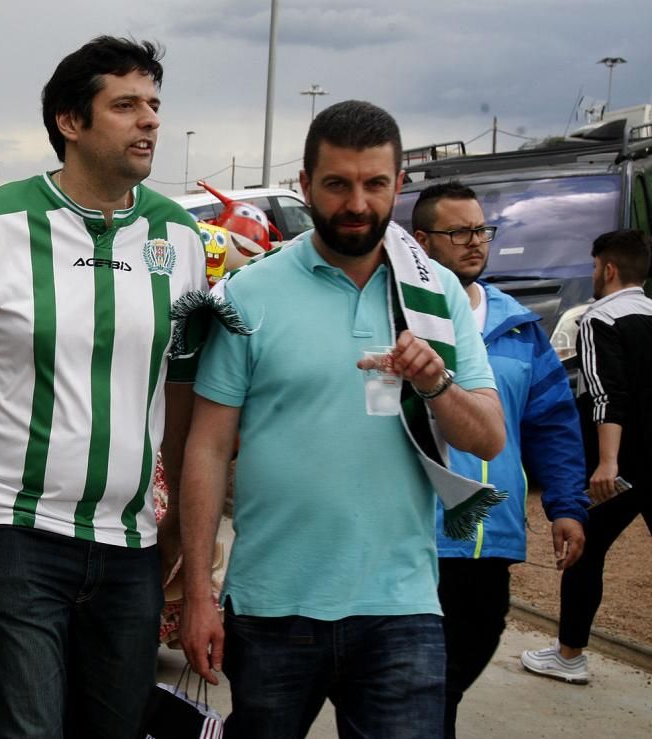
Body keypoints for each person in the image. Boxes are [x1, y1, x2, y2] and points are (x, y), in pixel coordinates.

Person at [0, 36, 206, 737]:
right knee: (25, 726)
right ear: (70, 123)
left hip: (129, 539)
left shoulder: (181, 236)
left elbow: (182, 387)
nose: (149, 121)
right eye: (126, 105)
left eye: (153, 105)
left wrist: (176, 522)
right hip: (6, 525)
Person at [178, 100, 505, 738]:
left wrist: (435, 380)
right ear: (305, 186)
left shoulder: (434, 294)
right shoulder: (251, 292)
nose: (357, 202)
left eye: (374, 184)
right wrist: (197, 593)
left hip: (401, 611)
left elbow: (487, 436)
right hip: (271, 607)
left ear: (398, 186)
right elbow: (208, 449)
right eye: (337, 184)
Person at [411, 181, 589, 734]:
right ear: (422, 241)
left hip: (490, 541)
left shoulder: (518, 325)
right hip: (414, 537)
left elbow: (552, 422)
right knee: (416, 691)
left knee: (454, 676)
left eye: (482, 230)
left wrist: (566, 505)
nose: (475, 242)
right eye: (458, 232)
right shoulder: (403, 318)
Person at [522, 229, 652, 684]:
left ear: (609, 269)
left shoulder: (599, 319)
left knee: (584, 547)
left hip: (624, 466)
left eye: (595, 267)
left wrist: (607, 462)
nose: (593, 275)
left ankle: (570, 655)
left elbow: (605, 396)